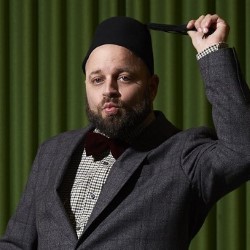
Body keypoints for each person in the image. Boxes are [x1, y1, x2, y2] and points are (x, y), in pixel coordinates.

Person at [0, 13, 250, 250]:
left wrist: (211, 52)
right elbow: (17, 243)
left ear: (152, 88)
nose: (108, 89)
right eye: (97, 79)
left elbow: (242, 151)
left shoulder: (184, 156)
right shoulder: (52, 152)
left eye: (124, 77)